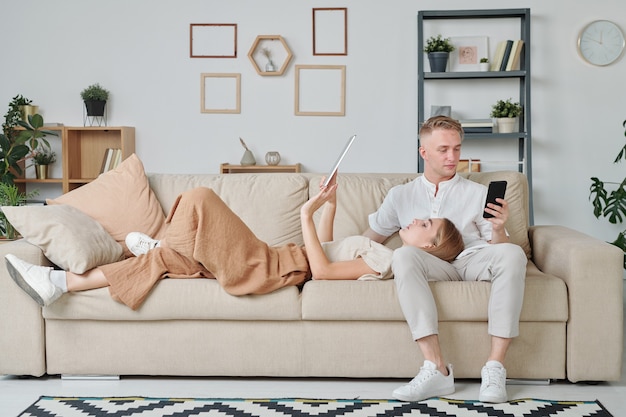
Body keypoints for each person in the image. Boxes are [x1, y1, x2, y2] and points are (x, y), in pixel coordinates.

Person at [5, 173, 465, 311]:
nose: (418, 218)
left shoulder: (387, 264)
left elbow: (321, 273)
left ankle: (167, 243)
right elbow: (326, 250)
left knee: (201, 198)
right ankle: (60, 284)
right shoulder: (380, 251)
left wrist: (304, 213)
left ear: (427, 247)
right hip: (280, 258)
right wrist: (328, 204)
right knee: (164, 259)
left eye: (427, 224)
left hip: (269, 266)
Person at [363, 115, 527, 403]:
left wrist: (499, 229)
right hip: (431, 265)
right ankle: (436, 368)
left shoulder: (478, 193)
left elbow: (498, 250)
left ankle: (495, 367)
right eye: (443, 150)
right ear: (424, 152)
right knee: (403, 256)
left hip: (472, 260)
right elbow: (368, 241)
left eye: (457, 148)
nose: (453, 157)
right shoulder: (400, 195)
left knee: (513, 253)